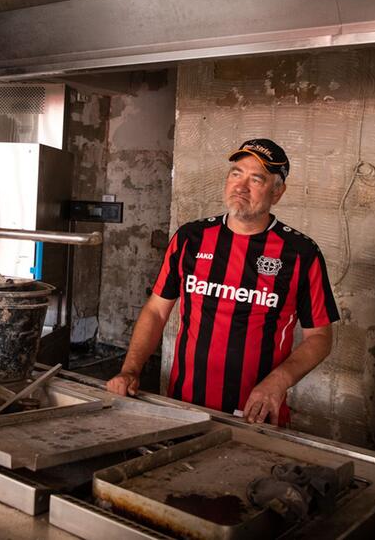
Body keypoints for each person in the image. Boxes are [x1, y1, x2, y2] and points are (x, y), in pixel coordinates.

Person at [106, 139, 339, 425]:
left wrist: (279, 381)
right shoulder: (190, 238)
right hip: (182, 406)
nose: (241, 186)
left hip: (256, 415)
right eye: (236, 173)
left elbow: (320, 338)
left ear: (277, 192)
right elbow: (156, 310)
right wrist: (131, 369)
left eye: (257, 178)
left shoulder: (301, 253)